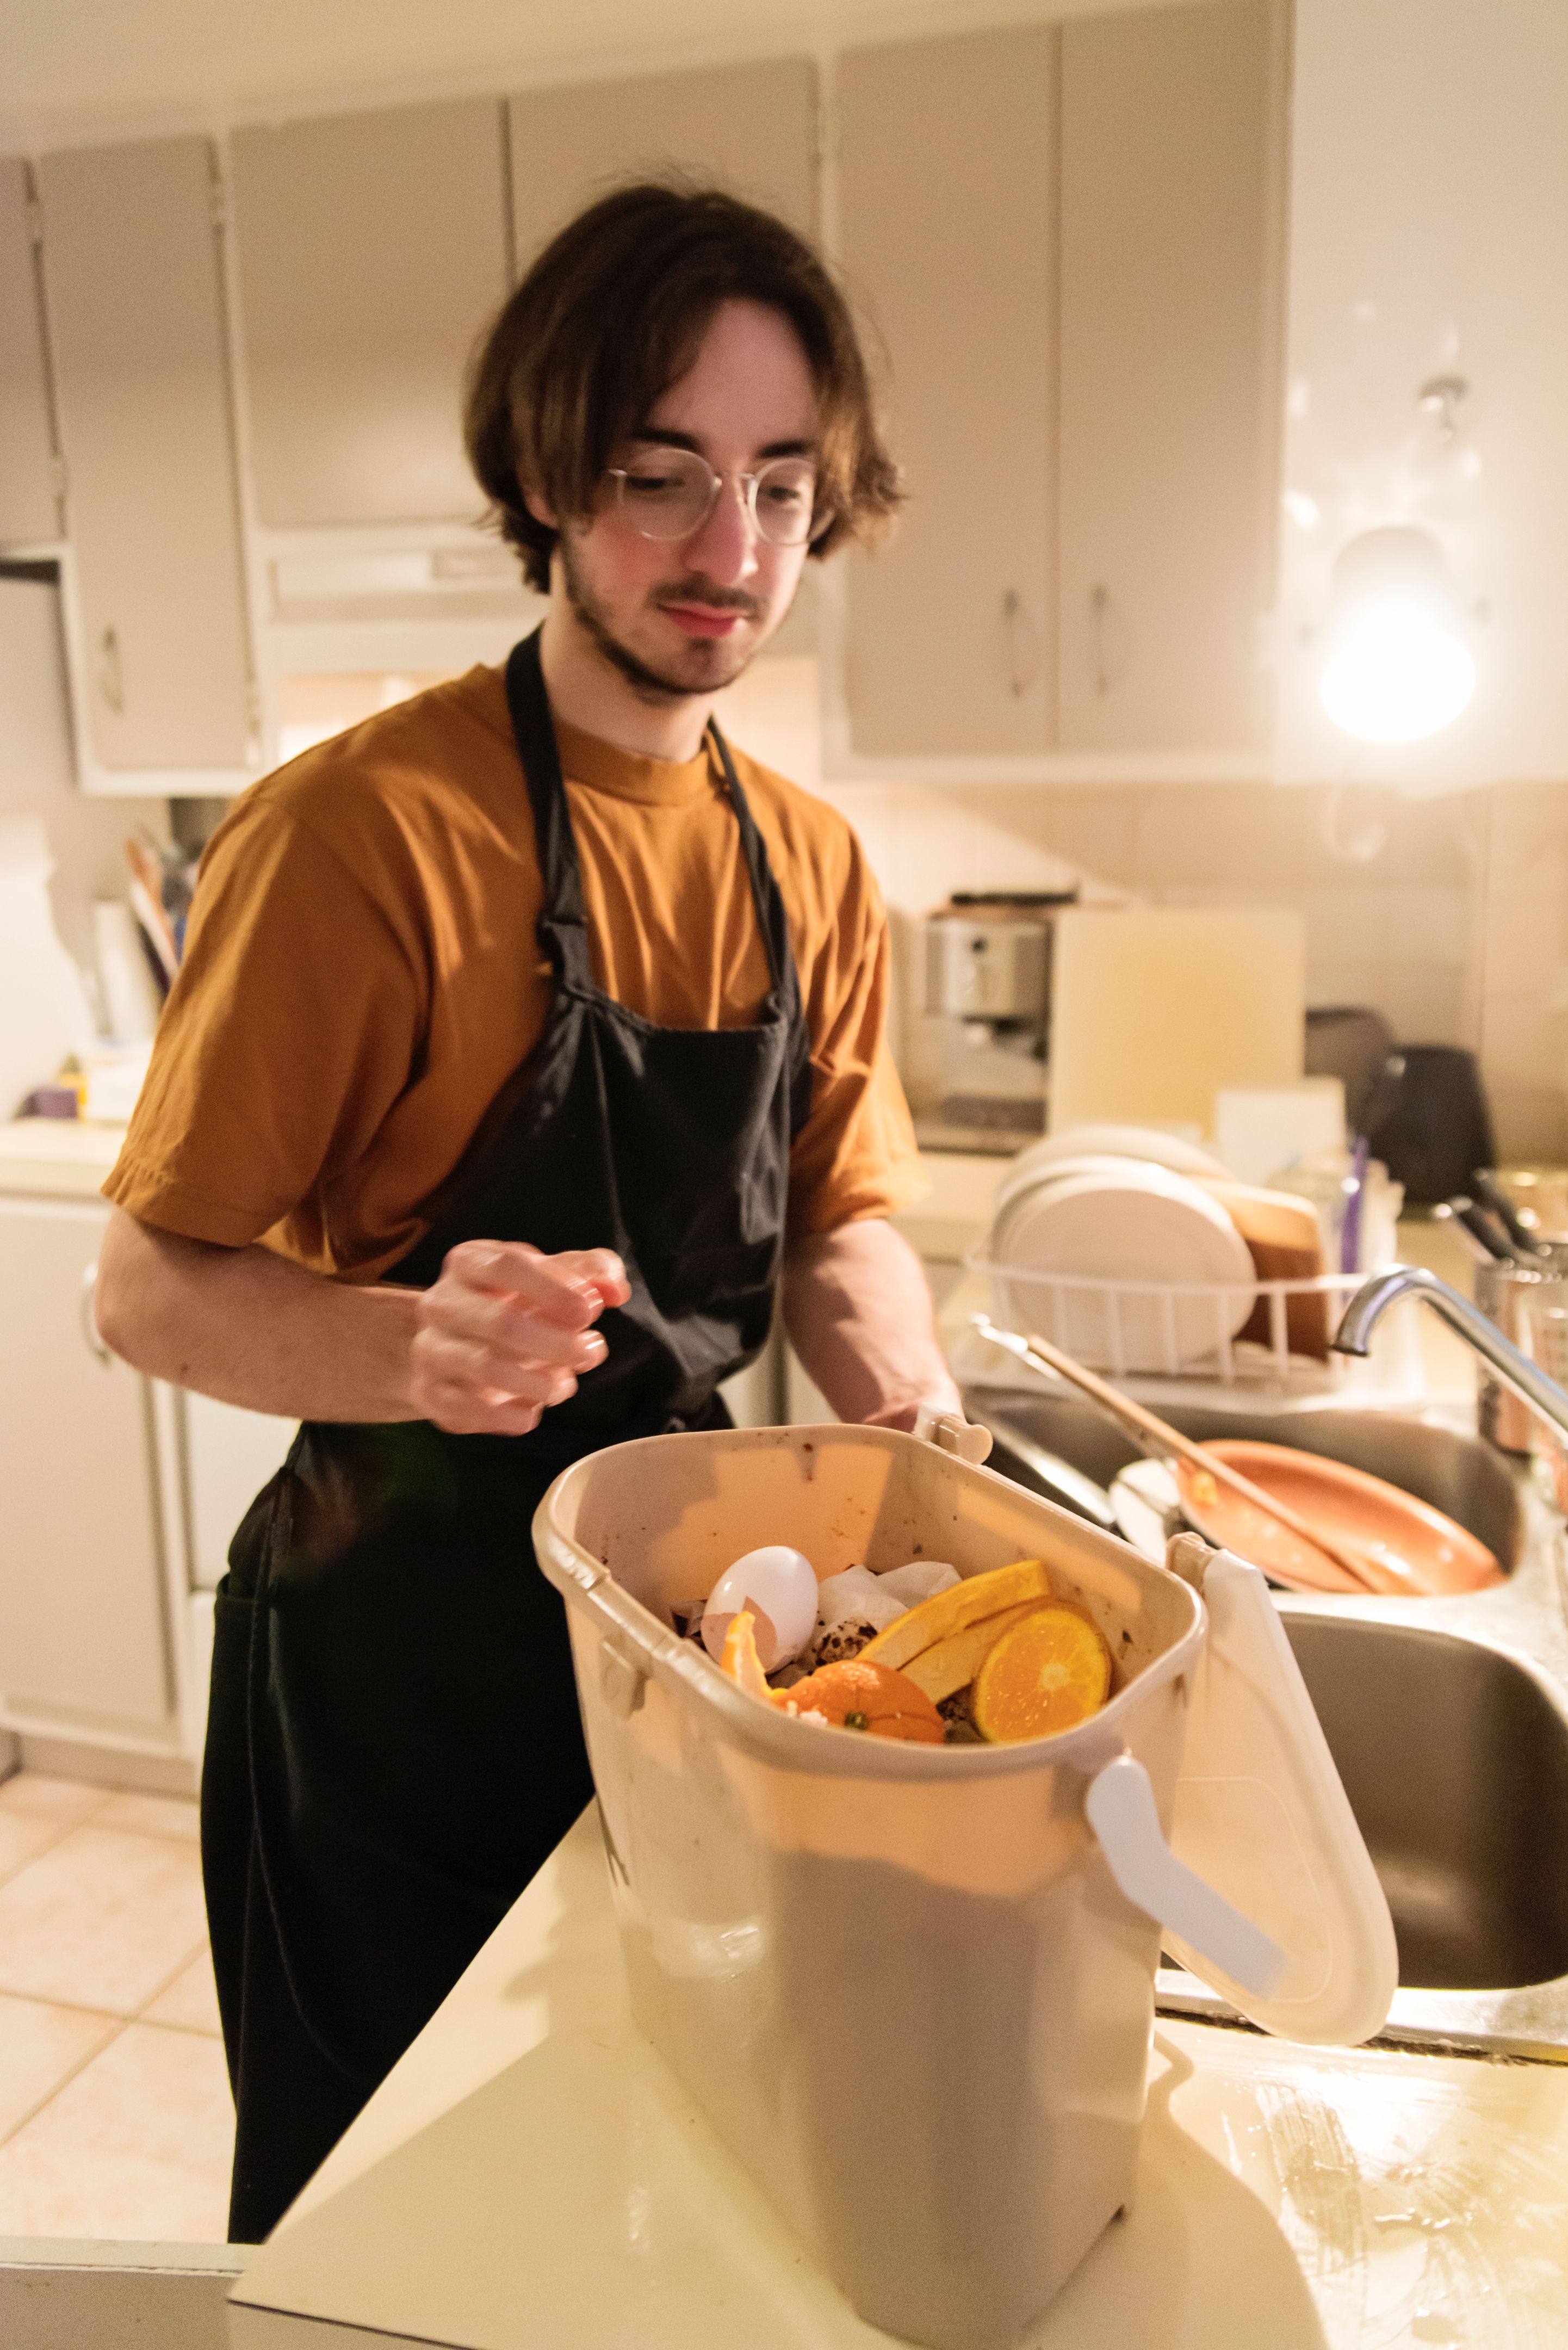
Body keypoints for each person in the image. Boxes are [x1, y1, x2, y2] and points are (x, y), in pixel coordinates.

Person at [94, 180, 966, 2242]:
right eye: (660, 477)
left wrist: (909, 1403)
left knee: (647, 2196)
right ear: (549, 484)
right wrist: (410, 1344)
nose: (726, 550)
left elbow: (840, 1218)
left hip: (689, 1663)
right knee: (389, 2218)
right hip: (393, 1680)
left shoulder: (812, 864)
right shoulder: (363, 834)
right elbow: (147, 1288)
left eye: (777, 484)